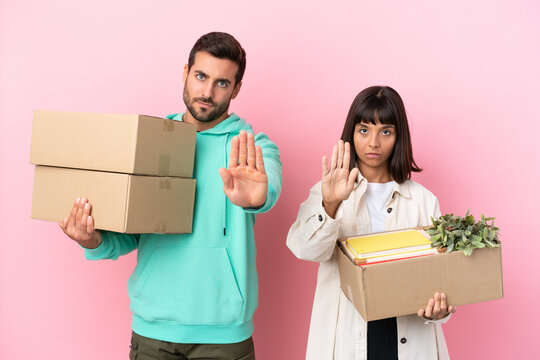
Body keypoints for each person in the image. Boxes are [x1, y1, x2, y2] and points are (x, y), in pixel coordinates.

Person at [59, 32, 282, 360]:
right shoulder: (150, 142)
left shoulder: (253, 148)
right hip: (153, 332)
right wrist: (91, 239)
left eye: (222, 83)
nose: (207, 92)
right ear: (185, 73)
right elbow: (131, 233)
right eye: (201, 76)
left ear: (236, 89)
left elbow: (270, 188)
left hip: (225, 334)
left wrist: (256, 199)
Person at [286, 86, 456, 360]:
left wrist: (441, 310)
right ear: (351, 134)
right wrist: (330, 205)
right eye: (364, 130)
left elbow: (439, 282)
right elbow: (306, 251)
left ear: (399, 137)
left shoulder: (424, 201)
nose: (373, 143)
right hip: (345, 338)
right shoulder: (326, 190)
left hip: (407, 338)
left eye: (386, 131)